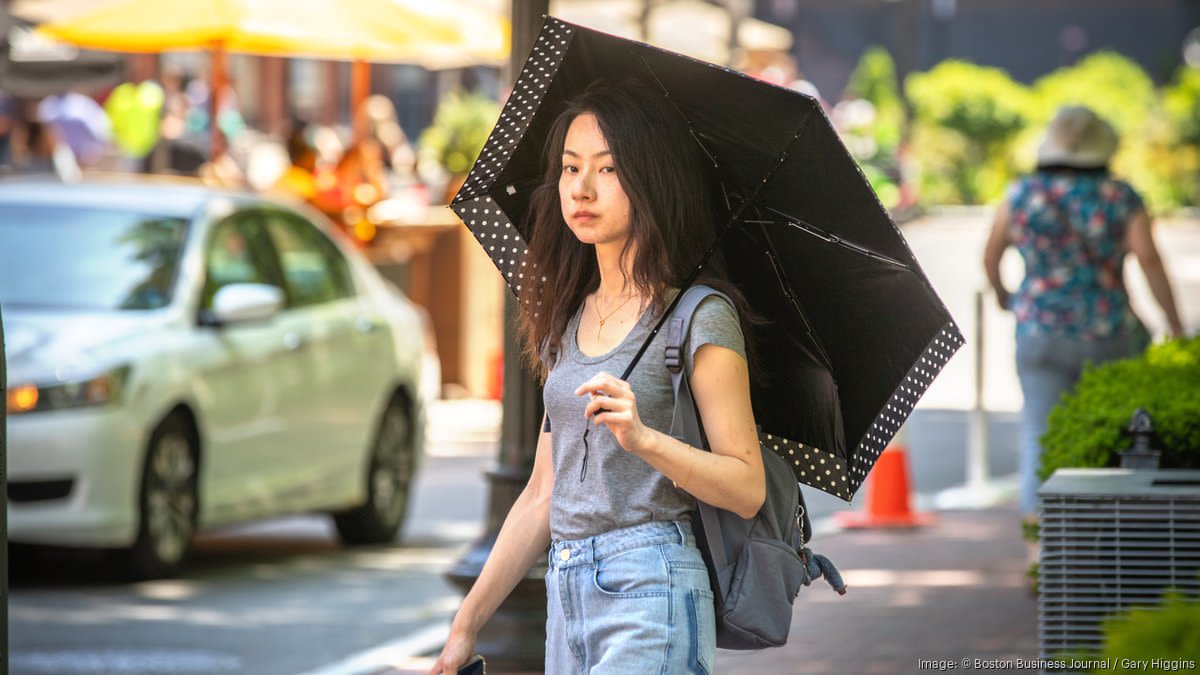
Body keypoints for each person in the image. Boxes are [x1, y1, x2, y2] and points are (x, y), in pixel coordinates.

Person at [431, 80, 767, 674]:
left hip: (651, 584)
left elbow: (746, 487)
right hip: (567, 593)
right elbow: (541, 494)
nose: (580, 189)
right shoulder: (568, 315)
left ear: (649, 180)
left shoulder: (698, 317)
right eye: (569, 167)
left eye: (607, 170)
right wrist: (466, 626)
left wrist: (644, 438)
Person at [983, 105, 1184, 521]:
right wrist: (1175, 324)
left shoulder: (1021, 194)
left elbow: (991, 254)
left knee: (1040, 435)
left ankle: (1040, 554)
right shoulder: (1120, 196)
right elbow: (1148, 258)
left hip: (1039, 331)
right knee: (1118, 438)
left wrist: (1008, 297)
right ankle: (1108, 540)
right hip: (1111, 332)